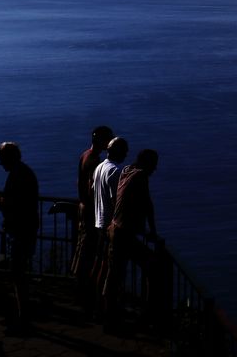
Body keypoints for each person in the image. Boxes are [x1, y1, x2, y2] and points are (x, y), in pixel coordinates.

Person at [103, 148, 158, 329]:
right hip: (124, 232)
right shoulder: (141, 175)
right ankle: (146, 313)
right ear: (147, 163)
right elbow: (147, 204)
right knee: (150, 265)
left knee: (114, 273)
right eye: (153, 164)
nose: (155, 169)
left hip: (115, 228)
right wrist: (153, 231)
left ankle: (110, 313)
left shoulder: (127, 170)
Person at [0, 141, 40, 323]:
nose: (0, 163)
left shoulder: (18, 175)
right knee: (19, 271)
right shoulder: (23, 172)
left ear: (9, 158)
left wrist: (1, 203)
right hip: (25, 227)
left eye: (2, 159)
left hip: (21, 229)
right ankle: (22, 311)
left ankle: (23, 314)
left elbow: (17, 204)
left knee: (17, 272)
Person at [71, 125, 113, 303]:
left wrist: (82, 202)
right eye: (108, 139)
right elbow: (91, 189)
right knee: (88, 251)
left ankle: (79, 287)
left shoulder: (84, 155)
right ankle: (83, 291)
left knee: (82, 248)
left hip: (83, 207)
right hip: (91, 212)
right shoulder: (95, 161)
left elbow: (79, 182)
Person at [90, 137, 129, 305]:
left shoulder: (100, 167)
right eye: (124, 150)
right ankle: (103, 304)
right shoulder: (115, 171)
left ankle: (92, 299)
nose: (126, 154)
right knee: (108, 268)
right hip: (109, 225)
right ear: (118, 151)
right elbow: (116, 202)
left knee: (99, 263)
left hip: (99, 221)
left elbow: (93, 191)